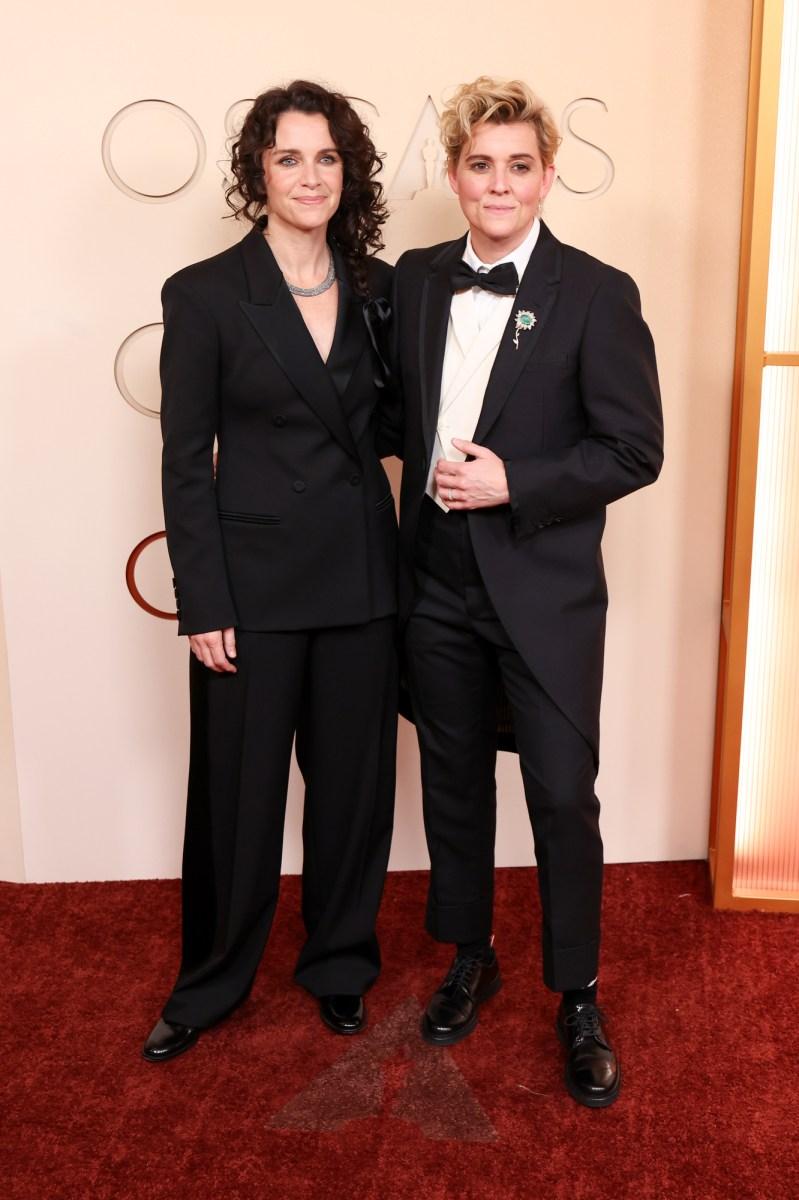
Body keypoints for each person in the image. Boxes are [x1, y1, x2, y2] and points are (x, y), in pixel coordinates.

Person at [390, 77, 663, 1107]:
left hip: (542, 589)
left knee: (558, 793)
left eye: (517, 166)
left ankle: (577, 993)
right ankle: (473, 954)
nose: (497, 184)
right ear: (454, 175)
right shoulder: (415, 280)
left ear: (546, 176)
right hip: (435, 580)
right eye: (479, 165)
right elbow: (380, 409)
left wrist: (519, 483)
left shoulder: (597, 292)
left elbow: (634, 448)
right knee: (453, 783)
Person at [142, 80, 398, 1063]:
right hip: (249, 589)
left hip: (361, 579)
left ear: (348, 171)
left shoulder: (380, 288)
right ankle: (210, 981)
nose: (309, 175)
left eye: (326, 156)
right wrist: (202, 598)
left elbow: (400, 424)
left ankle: (339, 965)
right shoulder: (204, 292)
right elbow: (184, 462)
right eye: (289, 157)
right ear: (259, 171)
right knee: (236, 801)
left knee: (352, 795)